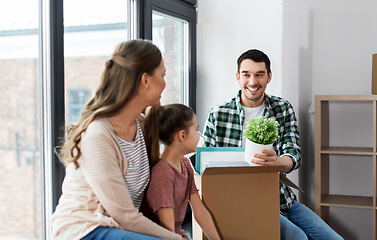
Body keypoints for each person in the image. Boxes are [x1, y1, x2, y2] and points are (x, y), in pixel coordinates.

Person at [203, 49, 343, 240]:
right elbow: (204, 165)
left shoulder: (282, 108)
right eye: (246, 75)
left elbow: (294, 155)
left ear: (269, 77)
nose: (253, 82)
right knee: (298, 237)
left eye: (259, 74)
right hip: (239, 201)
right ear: (238, 77)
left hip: (280, 198)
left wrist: (276, 162)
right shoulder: (218, 114)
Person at [51, 39, 184, 240]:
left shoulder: (140, 125)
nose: (166, 83)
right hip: (84, 230)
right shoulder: (98, 135)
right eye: (163, 75)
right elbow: (125, 216)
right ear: (145, 80)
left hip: (119, 227)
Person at [142, 104, 221, 240]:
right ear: (182, 135)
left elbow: (199, 211)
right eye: (196, 130)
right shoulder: (163, 174)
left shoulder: (184, 164)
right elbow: (167, 232)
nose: (199, 136)